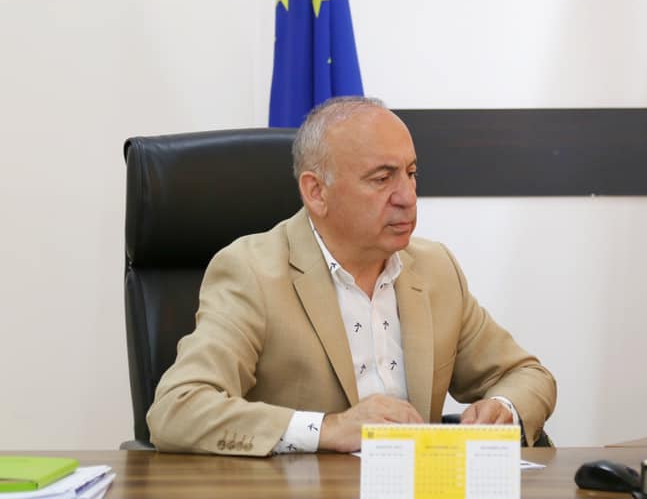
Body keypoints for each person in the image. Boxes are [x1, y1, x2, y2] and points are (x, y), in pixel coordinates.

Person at [146, 96, 556, 455]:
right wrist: (328, 429)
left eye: (411, 173)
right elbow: (177, 408)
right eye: (382, 178)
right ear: (316, 192)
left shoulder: (436, 269)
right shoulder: (252, 272)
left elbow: (526, 375)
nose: (407, 197)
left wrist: (504, 408)